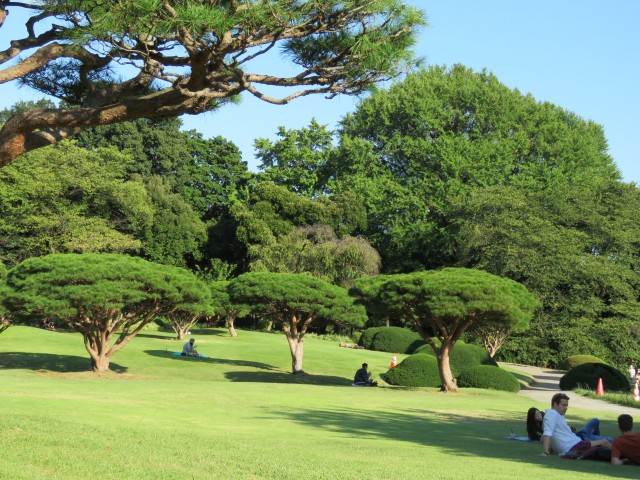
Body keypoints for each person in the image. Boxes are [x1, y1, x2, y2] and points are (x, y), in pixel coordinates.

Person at [542, 393, 612, 458]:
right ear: (555, 404)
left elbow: (553, 435)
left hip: (575, 443)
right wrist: (546, 452)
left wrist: (550, 450)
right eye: (563, 405)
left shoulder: (558, 414)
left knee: (603, 445)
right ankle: (617, 456)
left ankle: (616, 455)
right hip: (574, 445)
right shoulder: (552, 414)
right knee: (604, 442)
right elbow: (547, 434)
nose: (566, 408)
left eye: (566, 405)